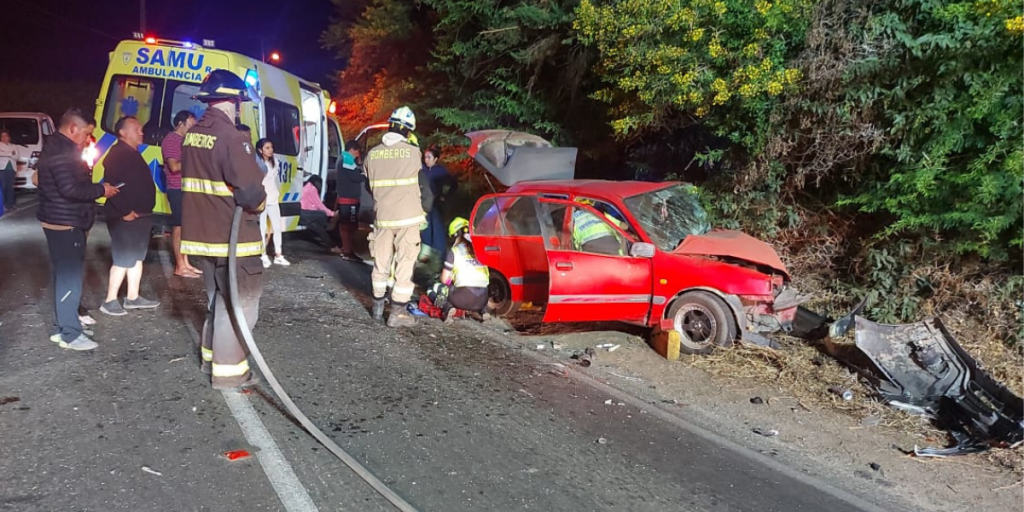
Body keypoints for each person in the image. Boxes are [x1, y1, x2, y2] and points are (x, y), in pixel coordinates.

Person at [181, 69, 267, 390]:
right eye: (239, 101)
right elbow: (250, 193)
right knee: (241, 304)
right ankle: (230, 373)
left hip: (203, 237)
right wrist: (259, 205)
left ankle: (209, 358)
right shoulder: (233, 138)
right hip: (234, 240)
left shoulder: (192, 135)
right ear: (233, 102)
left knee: (217, 299)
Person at [36, 108, 120, 350]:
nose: (87, 139)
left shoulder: (55, 147)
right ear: (73, 128)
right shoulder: (63, 151)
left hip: (60, 220)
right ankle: (70, 335)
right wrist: (101, 189)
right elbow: (69, 189)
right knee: (69, 279)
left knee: (64, 277)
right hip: (65, 224)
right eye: (86, 134)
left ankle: (62, 326)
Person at [364, 106, 424, 327]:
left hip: (382, 218)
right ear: (409, 131)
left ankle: (378, 309)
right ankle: (397, 313)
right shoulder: (412, 151)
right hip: (408, 218)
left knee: (380, 261)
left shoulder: (372, 154)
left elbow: (369, 183)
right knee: (405, 262)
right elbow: (420, 175)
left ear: (389, 125)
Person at [99, 116, 159, 316]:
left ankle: (133, 297)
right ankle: (110, 300)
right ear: (122, 132)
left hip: (140, 216)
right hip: (125, 217)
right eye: (136, 129)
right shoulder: (117, 154)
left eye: (141, 129)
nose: (141, 132)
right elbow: (113, 187)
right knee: (123, 258)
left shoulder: (133, 153)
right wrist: (125, 211)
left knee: (136, 259)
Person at [162, 110, 202, 278]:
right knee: (178, 228)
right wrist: (193, 157)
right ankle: (179, 265)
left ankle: (185, 263)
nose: (193, 127)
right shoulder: (172, 139)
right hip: (177, 188)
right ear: (181, 123)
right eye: (191, 124)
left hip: (186, 188)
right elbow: (174, 166)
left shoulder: (184, 140)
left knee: (185, 228)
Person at [429, 217, 490, 322]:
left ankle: (447, 308)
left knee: (433, 288)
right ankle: (484, 311)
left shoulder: (455, 251)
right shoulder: (481, 250)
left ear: (456, 235)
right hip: (483, 298)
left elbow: (444, 280)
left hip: (462, 298)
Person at [255, 138, 289, 268]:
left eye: (271, 147)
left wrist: (277, 194)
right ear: (260, 150)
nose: (270, 150)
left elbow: (276, 180)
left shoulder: (276, 163)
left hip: (273, 198)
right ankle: (262, 254)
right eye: (267, 148)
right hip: (262, 198)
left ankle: (278, 254)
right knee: (262, 227)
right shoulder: (258, 164)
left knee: (277, 227)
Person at [420, 146, 456, 261]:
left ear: (435, 159)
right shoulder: (422, 171)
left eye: (429, 157)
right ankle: (425, 256)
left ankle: (439, 257)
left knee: (438, 230)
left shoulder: (441, 171)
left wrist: (445, 196)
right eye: (425, 157)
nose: (426, 160)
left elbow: (453, 184)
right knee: (425, 230)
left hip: (436, 204)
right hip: (424, 204)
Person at [335, 139, 366, 262]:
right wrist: (364, 175)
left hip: (343, 197)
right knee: (350, 226)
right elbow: (355, 177)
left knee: (344, 224)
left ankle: (346, 249)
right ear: (352, 150)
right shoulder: (347, 159)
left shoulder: (341, 158)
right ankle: (349, 251)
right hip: (349, 199)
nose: (358, 154)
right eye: (357, 151)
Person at [299, 175, 338, 251]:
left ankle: (332, 246)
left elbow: (312, 205)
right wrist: (332, 214)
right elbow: (319, 205)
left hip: (303, 213)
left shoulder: (306, 186)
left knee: (318, 228)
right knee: (322, 214)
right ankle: (327, 227)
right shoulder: (312, 189)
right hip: (304, 213)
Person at [0, 130, 23, 211]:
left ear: (9, 137)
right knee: (3, 187)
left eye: (5, 136)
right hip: (2, 169)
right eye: (2, 136)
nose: (4, 138)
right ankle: (3, 205)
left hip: (11, 169)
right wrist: (10, 153)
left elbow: (17, 156)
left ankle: (10, 204)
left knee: (10, 187)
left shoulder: (13, 146)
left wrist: (6, 153)